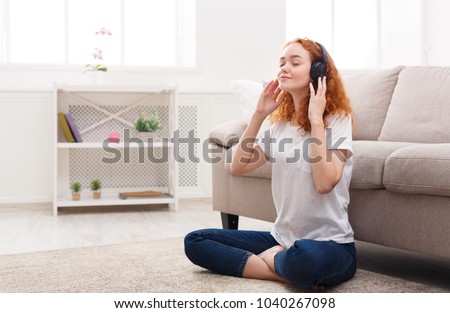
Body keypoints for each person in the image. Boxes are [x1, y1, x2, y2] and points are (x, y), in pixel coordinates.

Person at [184, 37, 356, 289]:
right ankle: (279, 266)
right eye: (282, 62)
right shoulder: (279, 126)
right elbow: (238, 167)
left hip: (330, 244)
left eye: (295, 62)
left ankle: (281, 262)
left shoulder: (338, 120)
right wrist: (259, 114)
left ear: (318, 72)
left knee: (306, 257)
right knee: (196, 241)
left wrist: (316, 120)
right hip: (282, 239)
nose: (284, 68)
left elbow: (324, 183)